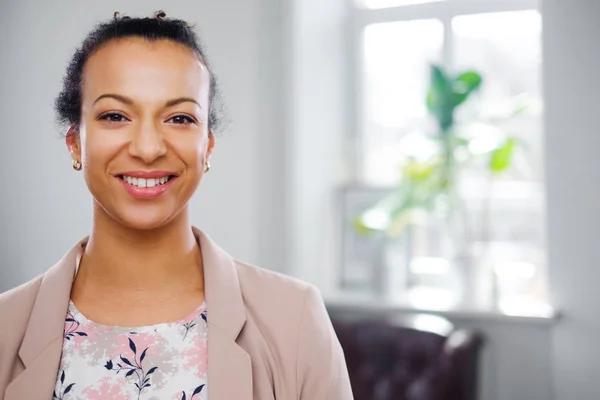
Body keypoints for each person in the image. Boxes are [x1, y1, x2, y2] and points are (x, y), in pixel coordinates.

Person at [0, 11, 353, 400]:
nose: (148, 149)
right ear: (75, 142)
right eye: (115, 116)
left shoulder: (296, 319)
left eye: (180, 118)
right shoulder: (5, 325)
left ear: (208, 146)